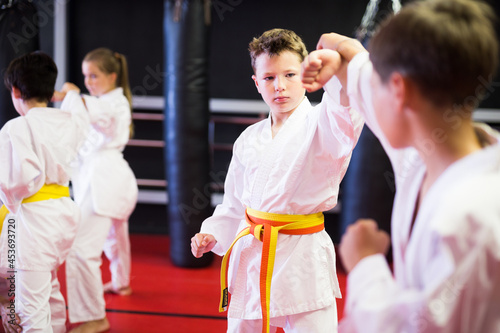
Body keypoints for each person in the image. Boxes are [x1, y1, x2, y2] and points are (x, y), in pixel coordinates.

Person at [301, 0, 500, 332]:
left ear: (399, 90)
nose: (369, 93)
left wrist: (366, 263)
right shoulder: (423, 153)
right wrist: (336, 51)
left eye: (379, 83)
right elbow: (362, 68)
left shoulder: (471, 221)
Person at [191, 28, 364, 333]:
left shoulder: (323, 122)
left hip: (302, 254)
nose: (279, 86)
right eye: (269, 78)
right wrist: (213, 233)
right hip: (252, 250)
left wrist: (335, 57)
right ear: (257, 83)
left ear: (307, 76)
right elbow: (234, 204)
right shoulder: (248, 139)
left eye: (289, 75)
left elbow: (347, 108)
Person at [0, 51, 89, 332]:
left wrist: (9, 207)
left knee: (31, 308)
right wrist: (69, 94)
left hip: (35, 219)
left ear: (15, 91)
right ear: (52, 91)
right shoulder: (70, 121)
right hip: (64, 212)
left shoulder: (17, 127)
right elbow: (79, 107)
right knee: (49, 287)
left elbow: (13, 183)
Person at [56, 48, 138, 333]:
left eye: (94, 75)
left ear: (112, 76)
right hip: (113, 180)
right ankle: (121, 281)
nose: (89, 81)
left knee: (80, 249)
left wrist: (71, 95)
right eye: (85, 76)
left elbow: (94, 111)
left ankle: (94, 317)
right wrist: (73, 97)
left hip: (105, 181)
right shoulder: (108, 101)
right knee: (116, 236)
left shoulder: (112, 104)